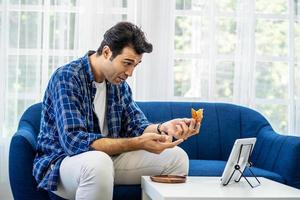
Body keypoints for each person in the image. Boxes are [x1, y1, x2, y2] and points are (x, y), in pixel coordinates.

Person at [33, 21, 201, 200]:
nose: (130, 72)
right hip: (63, 163)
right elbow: (73, 142)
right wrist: (137, 143)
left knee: (176, 158)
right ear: (106, 52)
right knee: (98, 162)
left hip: (107, 159)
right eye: (127, 63)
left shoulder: (119, 85)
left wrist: (163, 128)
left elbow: (137, 125)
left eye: (135, 65)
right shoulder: (67, 77)